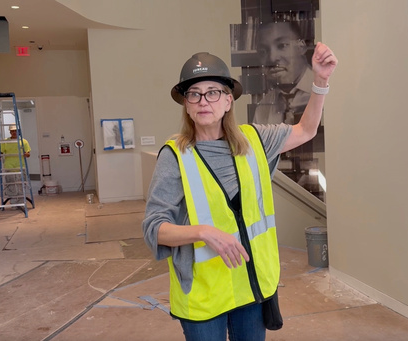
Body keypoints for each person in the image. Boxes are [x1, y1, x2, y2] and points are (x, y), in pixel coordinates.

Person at [142, 42, 337, 340]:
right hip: (204, 296)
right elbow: (154, 229)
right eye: (194, 94)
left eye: (213, 92)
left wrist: (321, 81)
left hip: (251, 287)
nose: (203, 100)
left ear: (228, 101)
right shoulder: (176, 156)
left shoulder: (255, 140)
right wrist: (203, 232)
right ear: (186, 104)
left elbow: (306, 130)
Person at [252, 21, 313, 125]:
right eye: (263, 51)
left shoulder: (326, 93)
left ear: (301, 47)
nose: (272, 58)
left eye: (282, 46)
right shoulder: (263, 108)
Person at [0, 125, 31, 204]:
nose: (14, 133)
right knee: (11, 185)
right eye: (12, 131)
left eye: (15, 131)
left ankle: (21, 202)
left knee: (20, 185)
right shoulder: (5, 141)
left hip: (20, 166)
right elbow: (1, 152)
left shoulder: (23, 141)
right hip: (9, 167)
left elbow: (28, 153)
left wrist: (26, 154)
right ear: (10, 132)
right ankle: (13, 202)